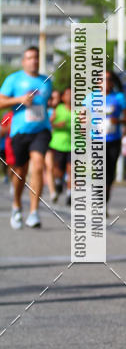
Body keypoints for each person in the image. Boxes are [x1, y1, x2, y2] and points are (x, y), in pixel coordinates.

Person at [0, 45, 53, 229]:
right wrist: (18, 100)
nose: (34, 61)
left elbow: (47, 104)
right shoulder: (13, 79)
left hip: (41, 130)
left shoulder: (46, 81)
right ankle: (16, 205)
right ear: (24, 61)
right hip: (20, 132)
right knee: (19, 173)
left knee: (38, 165)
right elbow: (1, 102)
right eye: (30, 58)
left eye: (36, 57)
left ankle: (34, 212)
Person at [89, 70, 126, 213]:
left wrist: (118, 120)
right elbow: (81, 117)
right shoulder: (90, 98)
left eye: (108, 79)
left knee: (110, 174)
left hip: (113, 139)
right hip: (96, 140)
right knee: (99, 171)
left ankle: (103, 202)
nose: (106, 82)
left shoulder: (119, 98)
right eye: (102, 79)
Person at [48, 87, 72, 206]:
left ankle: (70, 194)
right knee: (58, 170)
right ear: (63, 97)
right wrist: (58, 125)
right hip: (58, 144)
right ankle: (58, 181)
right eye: (68, 94)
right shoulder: (58, 109)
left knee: (72, 170)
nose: (70, 96)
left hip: (74, 145)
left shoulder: (79, 110)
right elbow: (49, 123)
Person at [45, 90, 61, 202]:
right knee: (49, 167)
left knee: (54, 167)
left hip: (58, 142)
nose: (54, 101)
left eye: (56, 98)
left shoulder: (61, 110)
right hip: (45, 142)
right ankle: (52, 191)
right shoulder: (45, 111)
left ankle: (58, 182)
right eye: (52, 98)